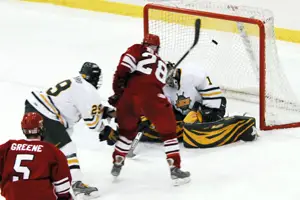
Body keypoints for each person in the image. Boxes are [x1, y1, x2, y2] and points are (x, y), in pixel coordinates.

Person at [108, 34, 190, 186]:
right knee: (169, 133)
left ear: (143, 43)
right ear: (157, 48)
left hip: (130, 95)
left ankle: (118, 161)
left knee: (127, 132)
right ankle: (175, 168)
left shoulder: (137, 49)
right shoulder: (163, 64)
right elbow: (156, 83)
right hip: (154, 97)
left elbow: (122, 69)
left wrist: (118, 93)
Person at [24, 62, 115, 198]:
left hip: (34, 108)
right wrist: (105, 130)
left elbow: (81, 104)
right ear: (95, 78)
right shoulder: (89, 91)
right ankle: (76, 184)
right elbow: (92, 123)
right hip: (46, 114)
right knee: (67, 148)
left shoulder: (76, 82)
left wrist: (102, 111)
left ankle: (37, 176)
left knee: (54, 146)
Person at [0, 112, 72, 200]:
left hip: (13, 195)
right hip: (41, 195)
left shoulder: (9, 146)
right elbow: (63, 187)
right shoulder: (51, 150)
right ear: (41, 128)